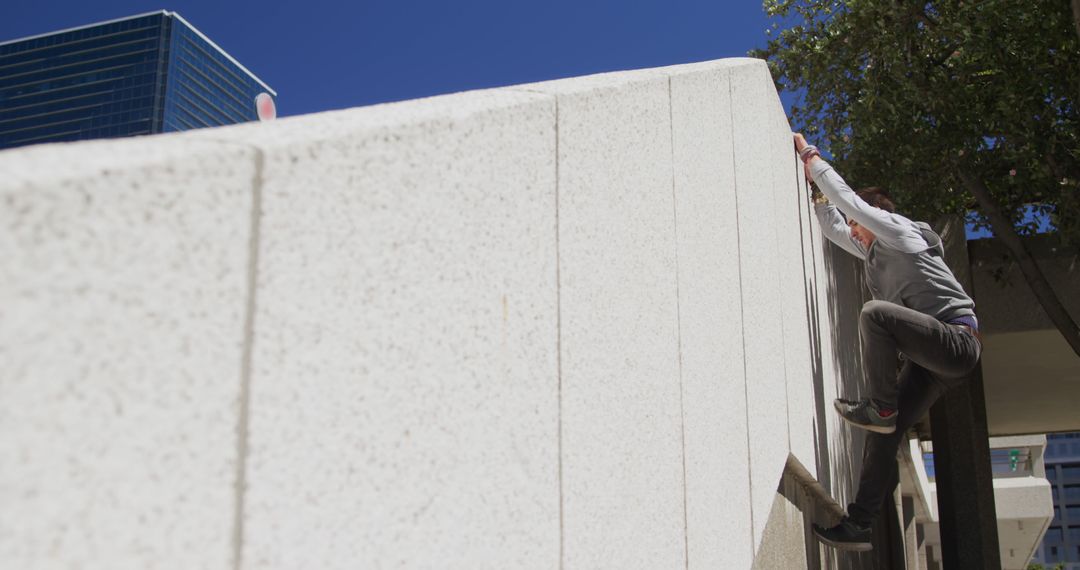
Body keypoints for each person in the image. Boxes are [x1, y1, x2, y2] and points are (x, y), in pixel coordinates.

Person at [793, 133, 983, 551]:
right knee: (884, 434)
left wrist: (810, 157)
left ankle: (880, 406)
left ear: (877, 217)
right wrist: (817, 197)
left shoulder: (900, 233)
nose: (856, 234)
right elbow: (838, 229)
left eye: (862, 226)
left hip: (956, 339)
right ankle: (859, 524)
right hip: (932, 362)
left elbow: (852, 206)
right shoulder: (875, 253)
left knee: (874, 315)